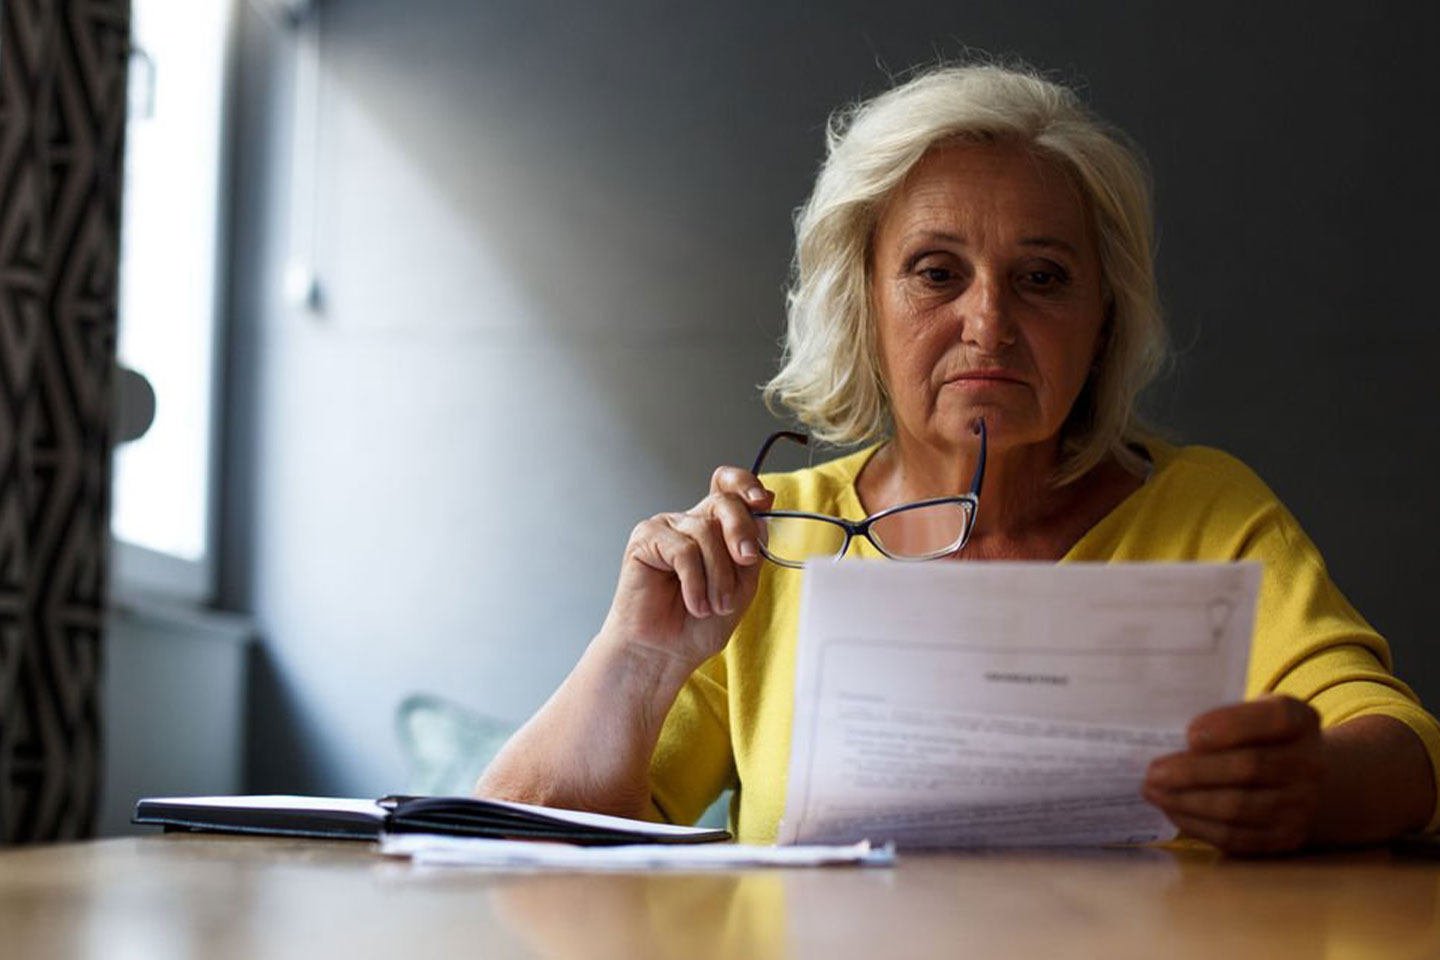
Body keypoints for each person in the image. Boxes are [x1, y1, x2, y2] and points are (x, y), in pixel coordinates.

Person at [478, 64, 1439, 855]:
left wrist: (1312, 789)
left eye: (1043, 278)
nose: (990, 323)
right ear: (865, 304)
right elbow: (515, 844)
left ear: (1103, 322)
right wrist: (640, 659)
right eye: (937, 273)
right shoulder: (769, 545)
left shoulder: (1205, 512)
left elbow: (1405, 753)